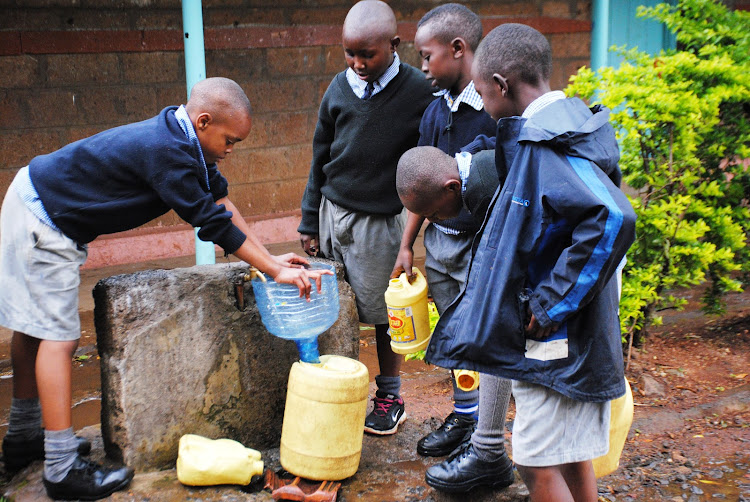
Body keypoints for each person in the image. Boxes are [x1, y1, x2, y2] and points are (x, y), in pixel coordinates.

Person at [0, 77, 328, 501]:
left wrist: (272, 260)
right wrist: (271, 268)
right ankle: (61, 469)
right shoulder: (168, 152)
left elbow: (222, 206)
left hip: (37, 203)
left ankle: (26, 437)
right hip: (43, 219)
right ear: (204, 120)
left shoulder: (186, 141)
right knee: (59, 339)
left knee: (34, 328)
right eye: (230, 140)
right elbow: (210, 225)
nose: (231, 150)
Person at [424, 24, 637, 501]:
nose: (483, 104)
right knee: (569, 452)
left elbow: (611, 218)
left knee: (534, 462)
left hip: (557, 339)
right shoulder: (570, 122)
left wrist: (548, 303)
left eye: (482, 92)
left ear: (500, 85)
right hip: (578, 333)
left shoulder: (546, 144)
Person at [298, 0, 434, 435]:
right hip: (331, 213)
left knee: (383, 312)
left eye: (367, 55)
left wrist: (412, 228)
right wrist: (308, 220)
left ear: (393, 45)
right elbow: (320, 156)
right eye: (349, 54)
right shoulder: (339, 89)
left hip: (380, 223)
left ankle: (390, 395)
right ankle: (340, 387)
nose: (357, 64)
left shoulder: (417, 92)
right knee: (333, 308)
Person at [389, 3, 503, 462]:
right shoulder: (436, 114)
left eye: (426, 56)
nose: (422, 67)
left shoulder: (495, 109)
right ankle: (465, 414)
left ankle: (486, 437)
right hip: (440, 243)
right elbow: (420, 186)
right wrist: (406, 244)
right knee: (456, 332)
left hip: (480, 245)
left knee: (486, 335)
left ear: (458, 50)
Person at [396, 145, 515, 492]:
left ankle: (491, 449)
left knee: (496, 344)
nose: (437, 218)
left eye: (435, 212)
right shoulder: (469, 182)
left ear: (451, 188)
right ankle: (478, 432)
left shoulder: (485, 187)